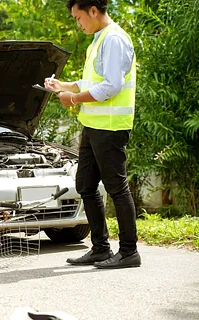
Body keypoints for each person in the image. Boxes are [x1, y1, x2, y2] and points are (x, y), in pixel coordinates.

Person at [44, 0, 141, 269]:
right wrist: (61, 85)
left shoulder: (114, 40)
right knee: (85, 185)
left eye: (78, 17)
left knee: (117, 188)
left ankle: (129, 251)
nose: (78, 23)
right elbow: (94, 82)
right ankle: (100, 248)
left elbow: (111, 86)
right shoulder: (99, 40)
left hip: (110, 127)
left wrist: (73, 99)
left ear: (94, 11)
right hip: (93, 126)